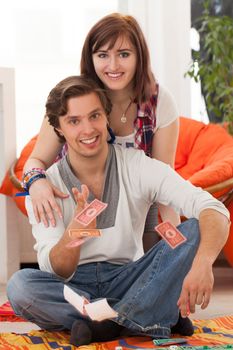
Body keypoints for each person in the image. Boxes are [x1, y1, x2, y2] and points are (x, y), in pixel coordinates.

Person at [7, 75, 230, 347]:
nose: (88, 129)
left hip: (130, 276)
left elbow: (213, 208)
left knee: (195, 228)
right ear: (59, 129)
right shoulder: (44, 189)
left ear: (106, 117)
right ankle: (154, 314)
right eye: (74, 121)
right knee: (20, 286)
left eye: (94, 116)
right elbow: (58, 270)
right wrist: (74, 234)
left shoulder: (137, 166)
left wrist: (205, 262)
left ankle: (108, 324)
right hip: (75, 286)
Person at [23, 13, 180, 249]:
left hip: (136, 212)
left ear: (139, 57)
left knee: (152, 271)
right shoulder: (69, 96)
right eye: (103, 55)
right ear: (91, 57)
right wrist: (36, 182)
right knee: (52, 278)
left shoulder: (159, 102)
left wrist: (175, 241)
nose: (113, 66)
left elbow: (165, 181)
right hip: (77, 205)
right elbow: (35, 160)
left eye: (124, 54)